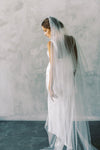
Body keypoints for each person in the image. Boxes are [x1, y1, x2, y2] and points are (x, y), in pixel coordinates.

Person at [40, 16, 98, 150]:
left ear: (51, 29)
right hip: (67, 79)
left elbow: (53, 66)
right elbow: (75, 61)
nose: (45, 34)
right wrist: (71, 77)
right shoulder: (71, 40)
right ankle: (68, 141)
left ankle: (64, 139)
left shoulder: (51, 43)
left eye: (45, 31)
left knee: (57, 111)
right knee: (67, 110)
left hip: (55, 80)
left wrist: (50, 86)